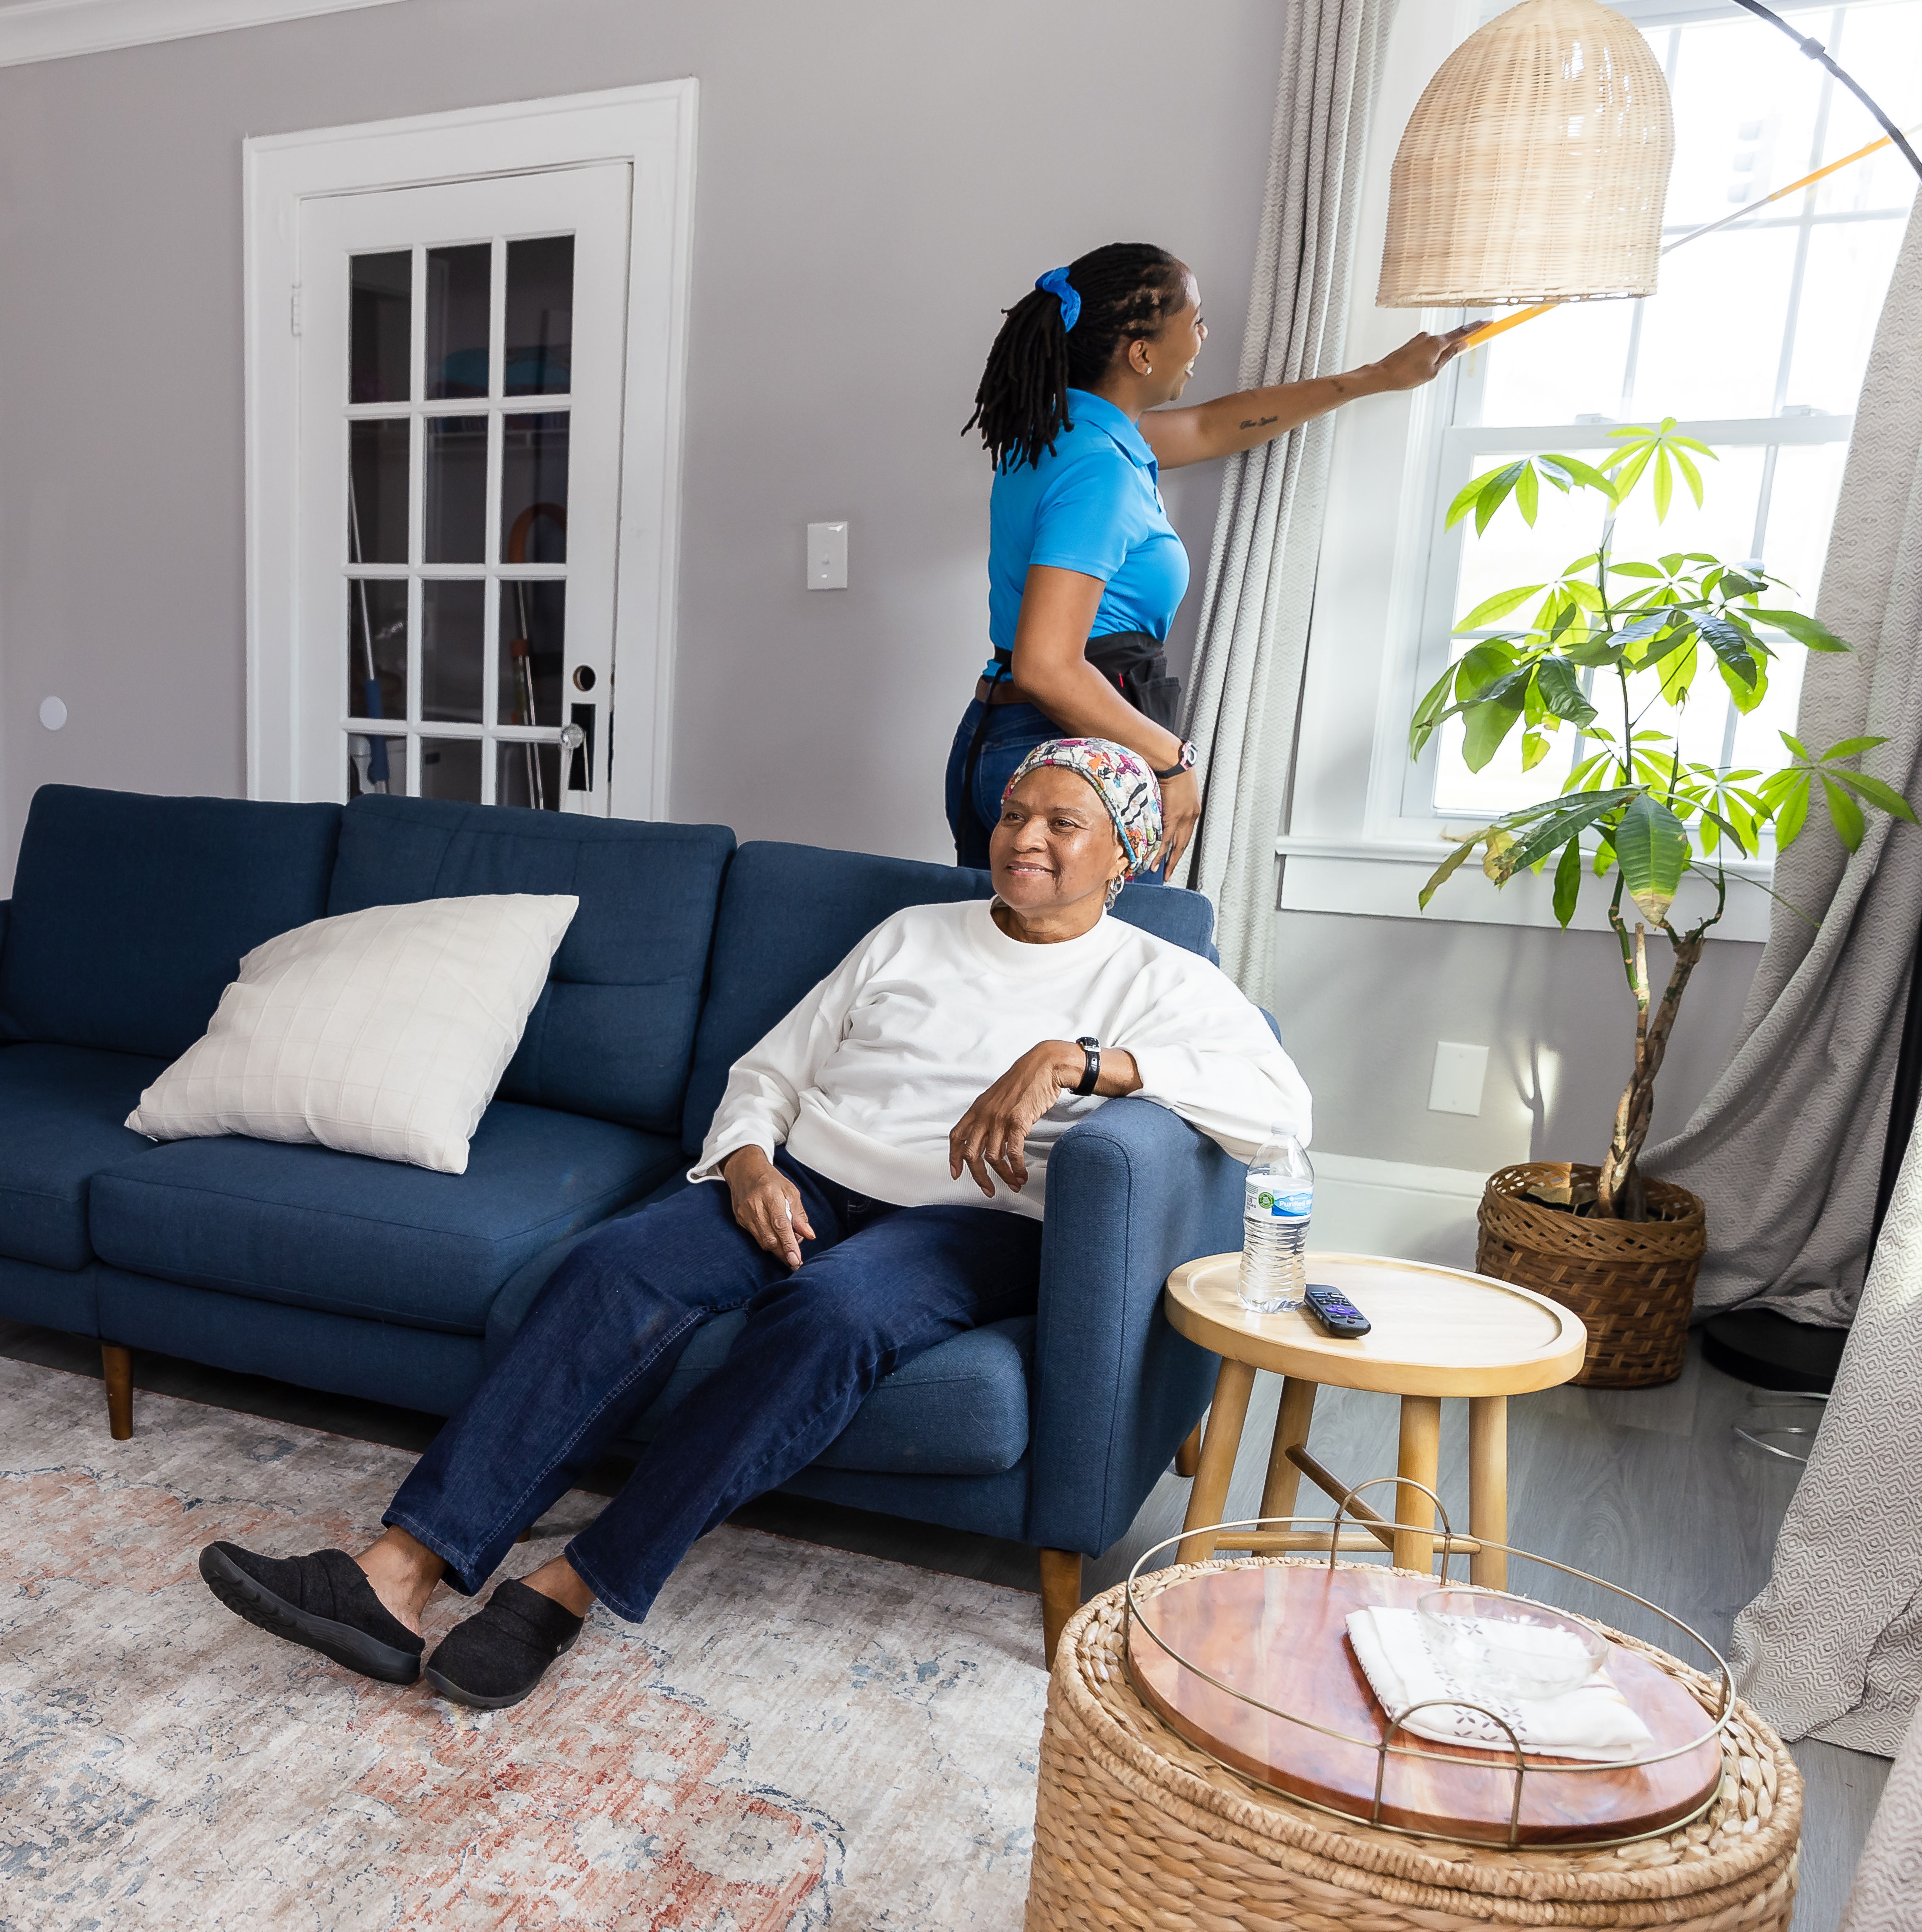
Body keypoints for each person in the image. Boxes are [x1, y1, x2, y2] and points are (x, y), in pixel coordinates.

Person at [199, 739, 1309, 1710]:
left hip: (970, 1219)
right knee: (613, 1265)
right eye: (1014, 814)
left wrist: (1075, 1061)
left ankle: (569, 1585)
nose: (1024, 836)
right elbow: (769, 1070)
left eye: (1061, 822)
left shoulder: (1159, 974)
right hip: (806, 1182)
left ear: (1120, 853)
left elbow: (1280, 1111)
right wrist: (744, 1164)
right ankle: (394, 1575)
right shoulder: (913, 935)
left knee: (829, 1315)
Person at [948, 243, 1486, 876]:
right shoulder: (1100, 468)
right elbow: (1047, 665)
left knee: (1005, 966)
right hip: (1065, 762)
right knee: (1120, 968)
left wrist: (1373, 378)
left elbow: (1212, 428)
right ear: (1141, 353)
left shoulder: (1059, 435)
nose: (1204, 336)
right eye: (1194, 320)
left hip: (999, 742)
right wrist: (1175, 759)